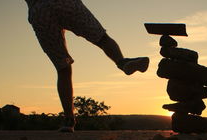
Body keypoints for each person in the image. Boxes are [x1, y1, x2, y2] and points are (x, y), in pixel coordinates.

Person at [25, 0, 150, 132]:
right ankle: (122, 62)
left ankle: (68, 120)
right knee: (102, 39)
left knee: (63, 68)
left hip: (39, 11)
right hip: (66, 3)